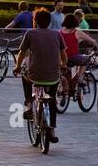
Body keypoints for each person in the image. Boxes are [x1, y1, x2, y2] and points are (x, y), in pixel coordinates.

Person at [13, 8, 65, 143]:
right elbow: (64, 54)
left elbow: (22, 53)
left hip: (34, 75)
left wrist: (17, 67)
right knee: (52, 100)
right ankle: (52, 130)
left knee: (25, 76)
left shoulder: (30, 33)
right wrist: (63, 64)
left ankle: (29, 106)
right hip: (53, 76)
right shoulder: (57, 34)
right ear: (49, 22)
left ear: (34, 21)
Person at [60, 14, 98, 88]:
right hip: (73, 56)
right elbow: (92, 40)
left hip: (61, 58)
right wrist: (97, 47)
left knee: (66, 70)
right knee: (85, 60)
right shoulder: (76, 32)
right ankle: (79, 78)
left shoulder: (60, 32)